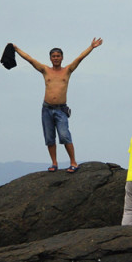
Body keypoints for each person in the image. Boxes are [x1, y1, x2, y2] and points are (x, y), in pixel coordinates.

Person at [12, 38, 103, 173]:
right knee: (49, 138)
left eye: (58, 56)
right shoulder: (45, 70)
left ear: (62, 58)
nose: (56, 58)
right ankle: (54, 163)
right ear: (50, 58)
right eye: (53, 56)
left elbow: (79, 58)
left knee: (64, 135)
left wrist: (91, 47)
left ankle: (73, 162)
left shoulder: (67, 70)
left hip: (61, 109)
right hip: (46, 109)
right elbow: (29, 59)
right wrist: (15, 48)